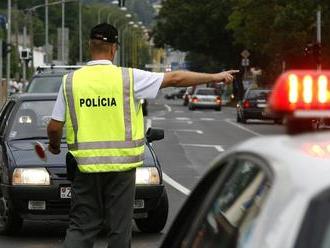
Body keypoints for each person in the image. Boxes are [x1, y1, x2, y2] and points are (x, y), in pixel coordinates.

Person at [47, 23, 238, 248]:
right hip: (122, 168)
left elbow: (54, 127)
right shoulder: (128, 78)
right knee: (120, 228)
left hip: (85, 168)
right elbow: (175, 78)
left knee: (81, 227)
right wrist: (216, 76)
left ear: (90, 46)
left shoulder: (70, 82)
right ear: (114, 49)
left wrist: (54, 147)